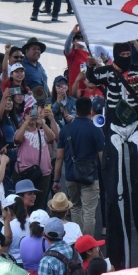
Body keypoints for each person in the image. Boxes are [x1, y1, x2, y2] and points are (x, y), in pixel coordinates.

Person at [84, 44, 138, 269]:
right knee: (116, 189)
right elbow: (92, 76)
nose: (127, 57)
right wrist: (91, 67)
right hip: (115, 128)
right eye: (123, 55)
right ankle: (121, 261)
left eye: (129, 54)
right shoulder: (108, 72)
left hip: (135, 124)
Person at [56, 98, 104, 236]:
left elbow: (59, 157)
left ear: (75, 110)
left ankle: (77, 241)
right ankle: (87, 245)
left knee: (75, 208)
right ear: (91, 111)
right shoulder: (96, 130)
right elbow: (102, 156)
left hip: (71, 174)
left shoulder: (66, 130)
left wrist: (56, 179)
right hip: (90, 175)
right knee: (89, 212)